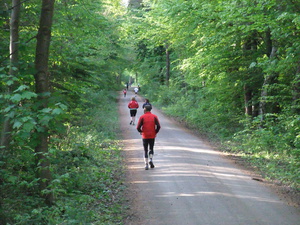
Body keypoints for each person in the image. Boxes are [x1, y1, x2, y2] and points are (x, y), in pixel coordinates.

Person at [136, 105, 161, 170]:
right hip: (152, 135)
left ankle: (146, 164)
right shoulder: (154, 116)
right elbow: (158, 126)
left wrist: (141, 132)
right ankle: (151, 159)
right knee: (151, 149)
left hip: (145, 135)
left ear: (145, 109)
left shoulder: (142, 117)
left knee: (145, 150)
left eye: (144, 109)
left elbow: (138, 127)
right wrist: (155, 132)